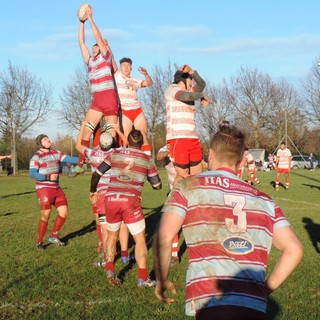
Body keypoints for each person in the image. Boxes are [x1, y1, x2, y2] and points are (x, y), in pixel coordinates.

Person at [153, 125, 303, 319]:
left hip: (210, 299)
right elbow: (294, 250)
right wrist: (265, 290)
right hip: (253, 305)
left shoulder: (188, 186)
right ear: (240, 162)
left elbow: (164, 236)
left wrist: (161, 279)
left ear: (211, 154)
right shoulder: (265, 200)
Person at [90, 129, 162, 287]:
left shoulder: (114, 153)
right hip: (130, 201)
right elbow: (157, 185)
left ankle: (110, 269)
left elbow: (96, 174)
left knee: (111, 236)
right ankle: (143, 278)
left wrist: (92, 191)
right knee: (140, 240)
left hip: (111, 199)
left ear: (127, 141)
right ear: (142, 143)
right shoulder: (147, 159)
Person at [70, 5, 119, 177]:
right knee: (86, 131)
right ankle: (81, 164)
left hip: (110, 100)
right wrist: (81, 22)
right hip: (97, 101)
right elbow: (81, 42)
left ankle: (113, 163)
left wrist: (90, 18)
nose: (94, 48)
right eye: (94, 47)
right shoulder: (90, 62)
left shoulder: (106, 57)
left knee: (111, 136)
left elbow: (97, 36)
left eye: (97, 46)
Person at [29, 134, 78, 249]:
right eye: (45, 139)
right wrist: (48, 178)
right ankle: (40, 241)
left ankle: (53, 236)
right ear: (40, 143)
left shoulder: (56, 153)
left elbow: (70, 159)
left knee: (64, 212)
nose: (48, 140)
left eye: (48, 138)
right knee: (45, 214)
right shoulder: (37, 156)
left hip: (56, 188)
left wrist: (86, 157)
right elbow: (32, 174)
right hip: (44, 189)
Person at [165, 64, 209, 184]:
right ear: (183, 80)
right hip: (178, 139)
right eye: (190, 79)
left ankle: (195, 202)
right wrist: (202, 95)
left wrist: (192, 71)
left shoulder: (190, 91)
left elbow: (202, 84)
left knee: (197, 177)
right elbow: (187, 96)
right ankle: (173, 201)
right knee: (182, 175)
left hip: (193, 139)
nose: (192, 82)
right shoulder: (171, 89)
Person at [114, 57, 153, 155]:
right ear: (120, 68)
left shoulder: (135, 80)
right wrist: (106, 45)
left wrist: (146, 74)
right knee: (126, 136)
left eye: (128, 66)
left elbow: (149, 83)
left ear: (131, 68)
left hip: (137, 110)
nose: (126, 68)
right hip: (125, 111)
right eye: (124, 66)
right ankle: (126, 160)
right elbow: (111, 58)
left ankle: (146, 159)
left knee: (143, 133)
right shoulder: (117, 76)